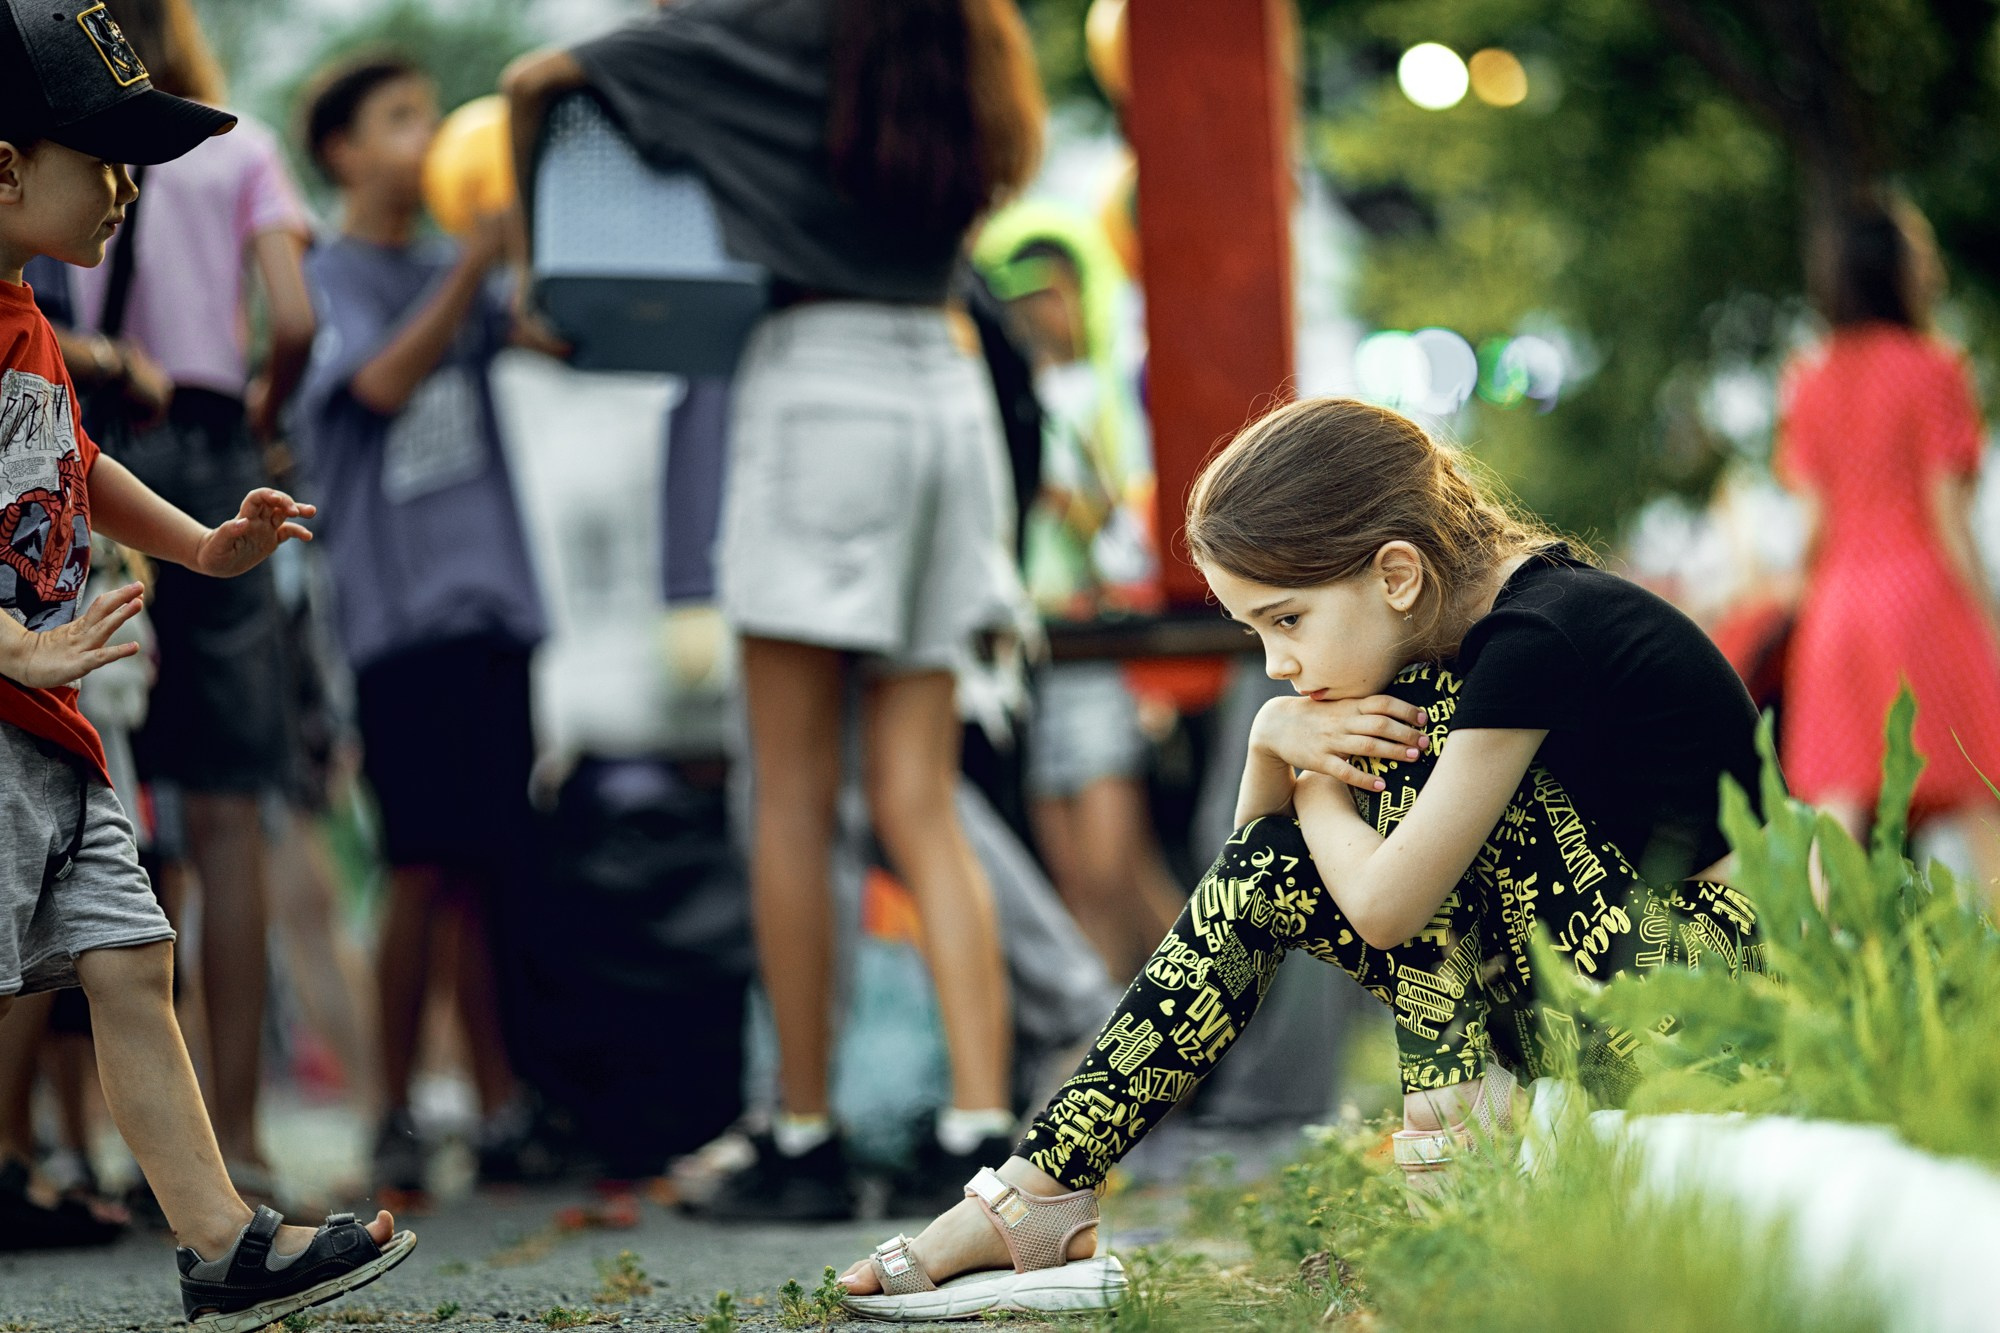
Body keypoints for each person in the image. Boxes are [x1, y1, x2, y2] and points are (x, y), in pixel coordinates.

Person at [835, 398, 1768, 1319]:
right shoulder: (1452, 626)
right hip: (1588, 991)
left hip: (1700, 1003)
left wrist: (1310, 774)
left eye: (1285, 621)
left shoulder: (1530, 642)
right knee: (1313, 822)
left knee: (1420, 722)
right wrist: (1267, 744)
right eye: (1256, 633)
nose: (1277, 660)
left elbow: (1388, 909)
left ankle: (1456, 1169)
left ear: (1396, 573)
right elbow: (1261, 870)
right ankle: (1044, 1191)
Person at [503, 0, 1045, 1220]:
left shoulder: (773, 26)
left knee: (788, 796)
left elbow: (541, 79)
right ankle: (978, 1125)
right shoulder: (968, 33)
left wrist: (541, 274)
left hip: (817, 387)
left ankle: (801, 1134)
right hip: (944, 388)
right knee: (921, 795)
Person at [0, 1, 412, 1323]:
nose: (129, 192)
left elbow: (71, 456)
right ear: (4, 168)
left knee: (129, 958)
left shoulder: (22, 315)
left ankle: (222, 1240)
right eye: (102, 159)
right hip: (16, 699)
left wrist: (201, 545)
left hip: (46, 727)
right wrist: (11, 639)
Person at [56, 0, 319, 1204]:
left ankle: (82, 1146)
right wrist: (265, 416)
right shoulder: (243, 146)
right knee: (228, 813)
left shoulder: (51, 138)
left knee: (82, 778)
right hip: (209, 443)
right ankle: (243, 1139)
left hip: (89, 430)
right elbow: (297, 317)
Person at [295, 54, 550, 1202]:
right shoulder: (331, 275)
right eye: (399, 120)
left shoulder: (460, 261)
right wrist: (473, 273)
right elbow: (384, 384)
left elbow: (553, 336)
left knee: (491, 866)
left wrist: (520, 256)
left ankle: (498, 1106)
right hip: (401, 622)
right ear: (342, 152)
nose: (427, 134)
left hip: (492, 602)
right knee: (418, 865)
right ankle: (392, 1108)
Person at [975, 205, 1186, 982]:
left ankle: (1176, 1041)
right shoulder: (1008, 393)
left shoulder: (1100, 395)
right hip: (1038, 652)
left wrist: (1065, 498)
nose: (1036, 315)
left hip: (1100, 646)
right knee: (1085, 877)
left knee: (1113, 870)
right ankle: (1148, 1047)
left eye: (1048, 295)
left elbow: (1122, 516)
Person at [1776, 199, 2000, 897]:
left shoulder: (1809, 379)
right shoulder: (1934, 369)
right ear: (1903, 272)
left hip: (1838, 604)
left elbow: (1812, 525)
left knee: (1840, 798)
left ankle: (1814, 973)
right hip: (1921, 596)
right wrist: (1989, 615)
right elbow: (1946, 514)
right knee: (1977, 782)